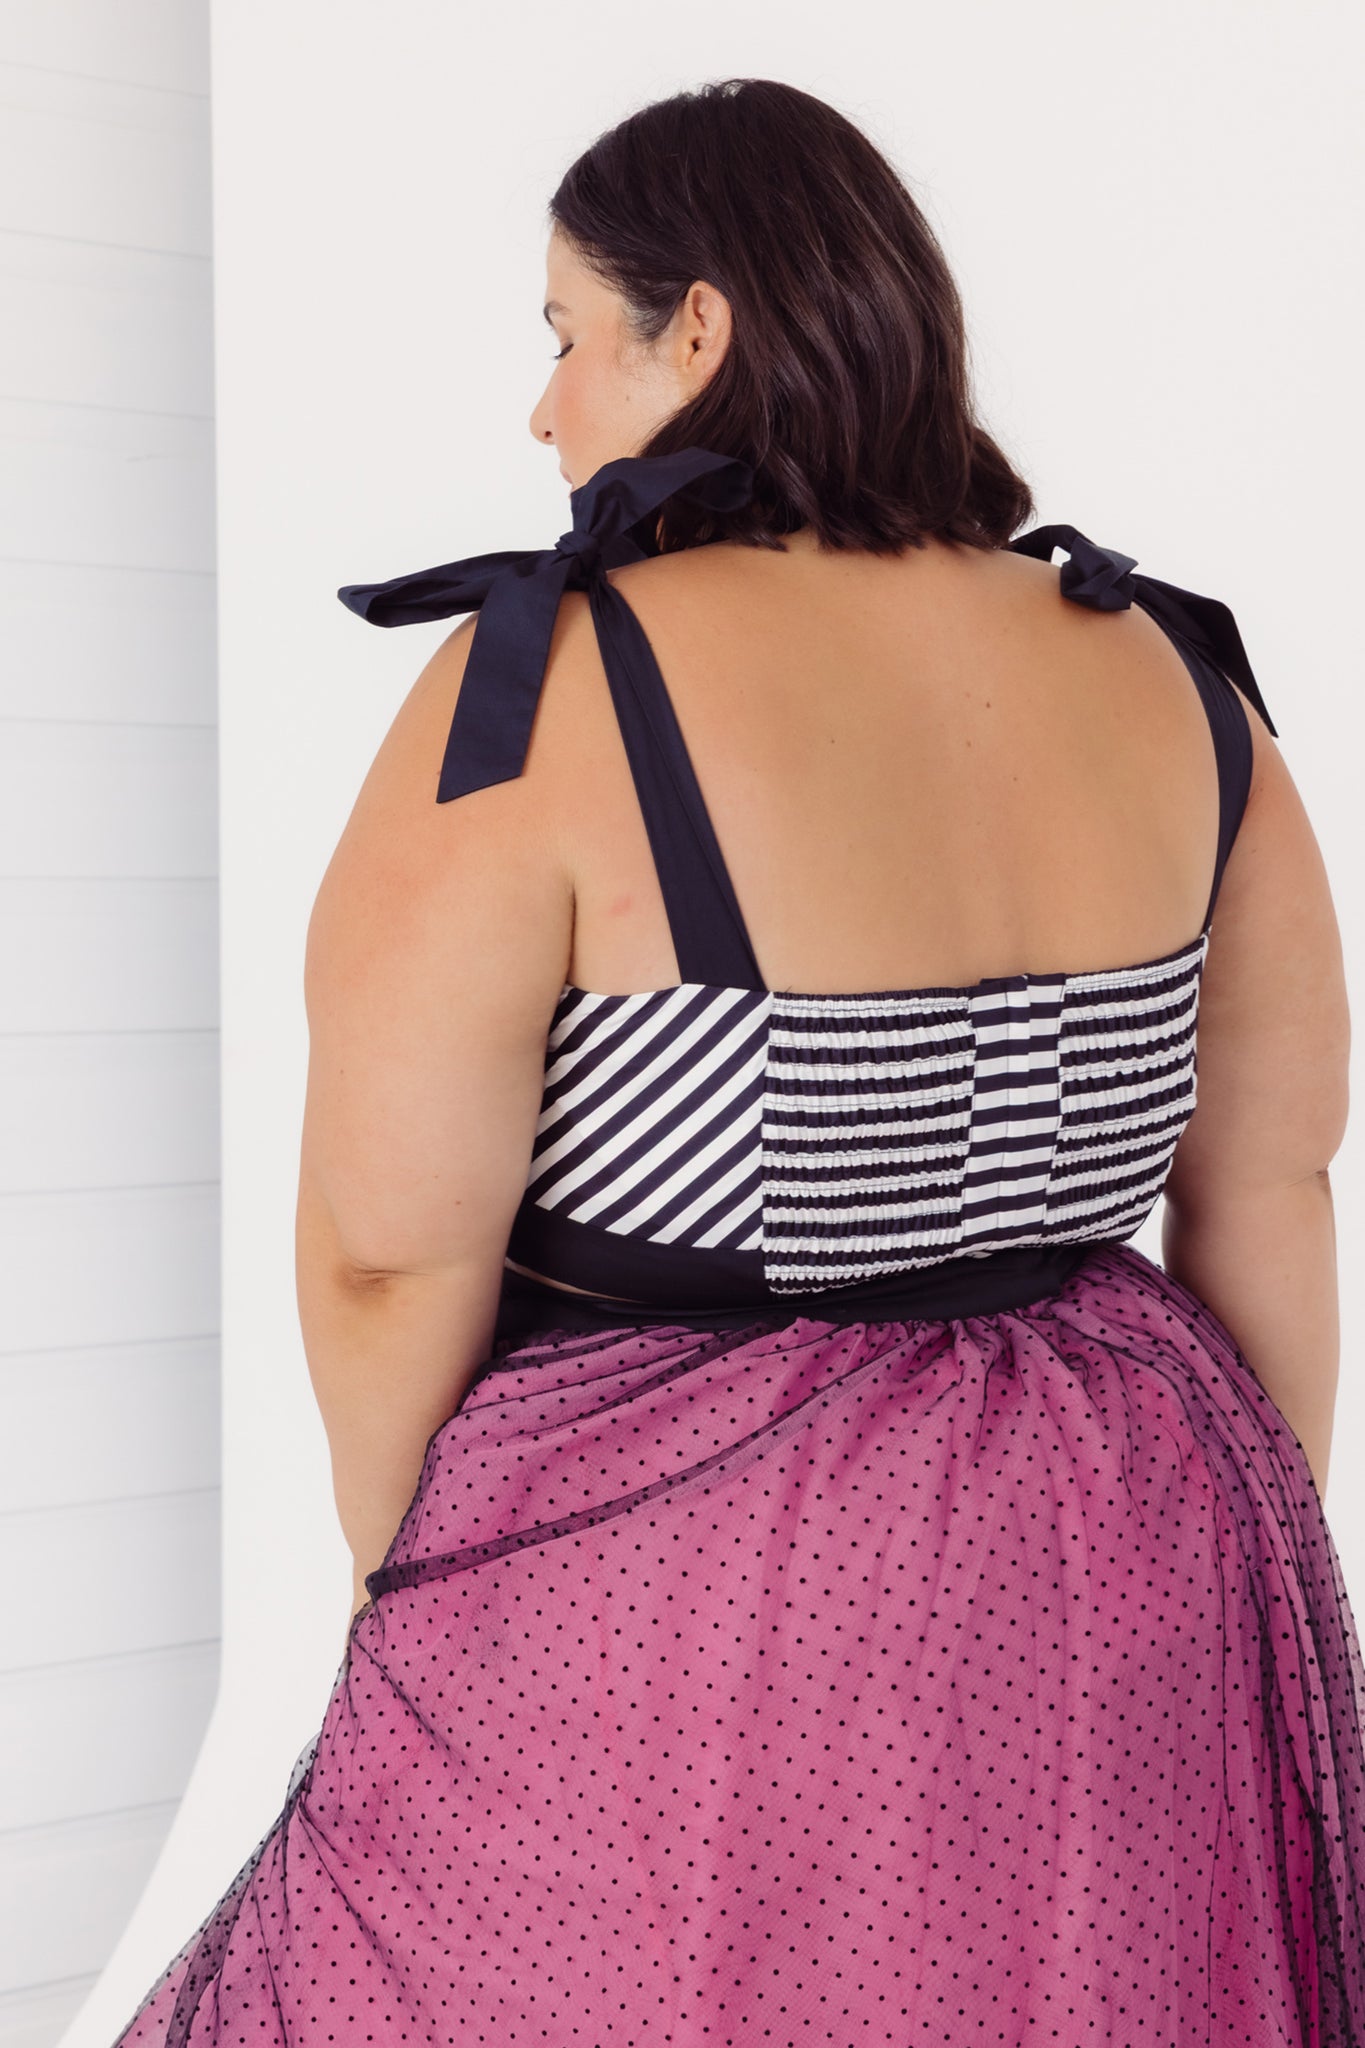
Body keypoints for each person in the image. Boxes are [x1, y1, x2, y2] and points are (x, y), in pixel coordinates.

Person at [112, 76, 1363, 2047]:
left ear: (691, 331)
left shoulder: (553, 686)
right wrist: (1199, 1571)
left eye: (560, 336)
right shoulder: (1176, 677)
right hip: (1142, 1537)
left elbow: (383, 1245)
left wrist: (417, 1587)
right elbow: (1267, 1186)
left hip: (697, 1578)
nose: (540, 409)